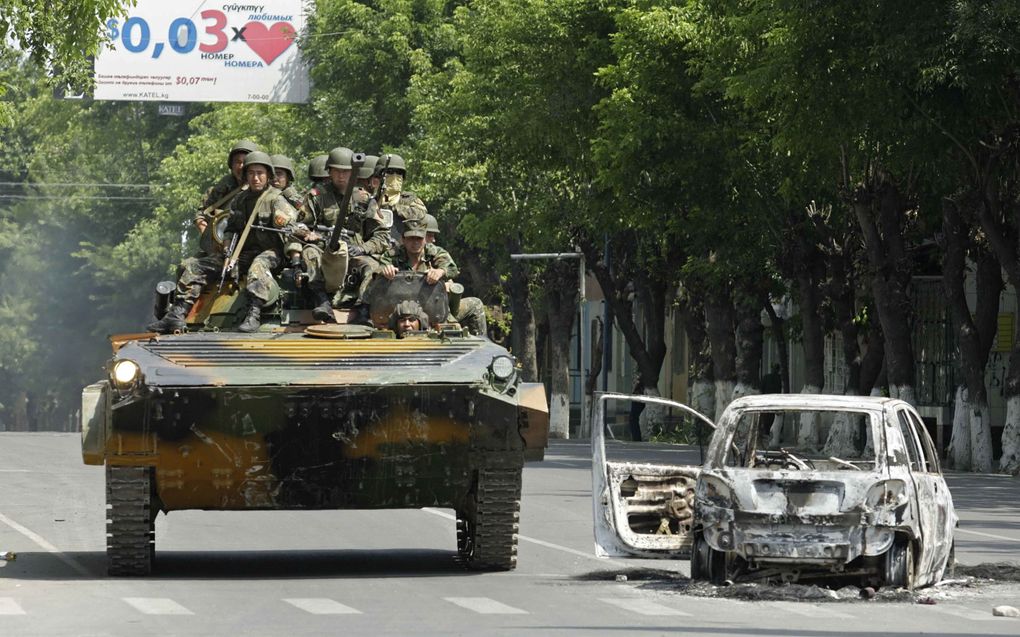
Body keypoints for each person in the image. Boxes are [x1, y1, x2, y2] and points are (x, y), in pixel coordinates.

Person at [147, 151, 298, 334]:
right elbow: (230, 228)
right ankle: (177, 314)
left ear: (268, 176)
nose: (255, 178)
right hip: (243, 253)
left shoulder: (276, 199)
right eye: (251, 173)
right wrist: (227, 249)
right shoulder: (239, 200)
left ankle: (254, 313)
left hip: (273, 253)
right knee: (196, 266)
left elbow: (292, 231)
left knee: (258, 266)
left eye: (260, 173)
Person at [420, 214, 487, 337]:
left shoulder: (433, 252)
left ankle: (481, 345)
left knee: (475, 304)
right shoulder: (399, 254)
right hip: (413, 310)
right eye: (430, 235)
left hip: (440, 308)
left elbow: (451, 268)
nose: (433, 239)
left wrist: (441, 273)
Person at [374, 153, 428, 243]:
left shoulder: (410, 200)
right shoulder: (371, 200)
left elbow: (421, 215)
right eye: (390, 172)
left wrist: (394, 207)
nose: (395, 176)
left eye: (399, 173)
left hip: (402, 250)